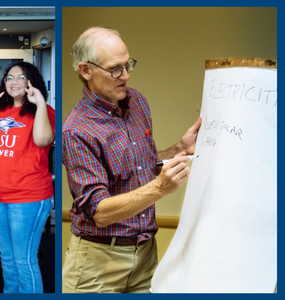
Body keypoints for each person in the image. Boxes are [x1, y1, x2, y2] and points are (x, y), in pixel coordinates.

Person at [61, 27, 202, 293]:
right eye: (115, 68)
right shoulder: (76, 130)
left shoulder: (137, 102)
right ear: (86, 70)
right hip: (98, 264)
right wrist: (160, 188)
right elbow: (100, 212)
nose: (125, 75)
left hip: (146, 255)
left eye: (128, 65)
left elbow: (141, 164)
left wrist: (178, 149)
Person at [0, 62, 55, 293]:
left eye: (21, 77)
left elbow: (42, 141)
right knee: (7, 259)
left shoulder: (45, 111)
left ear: (31, 82)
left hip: (29, 197)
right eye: (9, 78)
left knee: (24, 260)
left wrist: (39, 105)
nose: (14, 82)